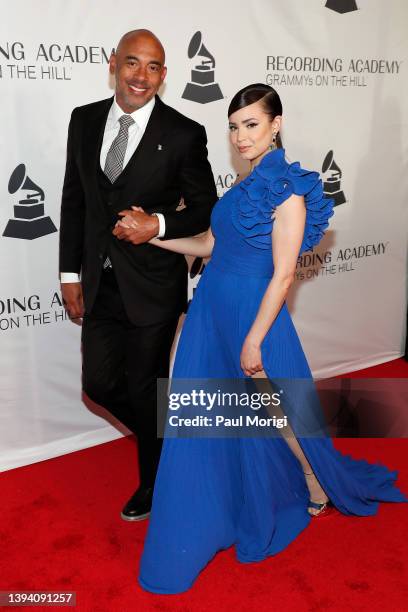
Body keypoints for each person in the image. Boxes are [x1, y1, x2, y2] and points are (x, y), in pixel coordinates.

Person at [118, 83, 407, 594]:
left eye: (251, 124)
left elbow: (282, 275)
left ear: (276, 124)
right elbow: (209, 244)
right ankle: (218, 500)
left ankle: (315, 478)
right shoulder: (239, 190)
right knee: (212, 412)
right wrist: (154, 235)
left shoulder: (291, 189)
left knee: (277, 410)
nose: (240, 135)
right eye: (234, 126)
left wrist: (255, 338)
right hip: (211, 312)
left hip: (255, 314)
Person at [58, 29, 217, 522]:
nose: (141, 76)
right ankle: (175, 451)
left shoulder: (185, 132)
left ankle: (155, 481)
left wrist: (158, 225)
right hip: (100, 285)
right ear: (113, 64)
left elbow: (207, 208)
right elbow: (74, 199)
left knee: (148, 386)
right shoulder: (83, 121)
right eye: (132, 63)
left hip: (154, 286)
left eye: (153, 67)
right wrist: (70, 273)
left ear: (164, 75)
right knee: (100, 385)